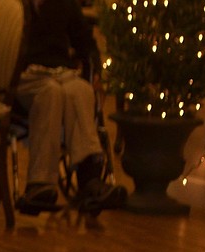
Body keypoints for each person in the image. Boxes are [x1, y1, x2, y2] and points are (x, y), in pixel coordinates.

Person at [15, 0, 126, 213]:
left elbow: (85, 42)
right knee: (51, 93)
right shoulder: (11, 5)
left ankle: (90, 179)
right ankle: (39, 183)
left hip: (58, 71)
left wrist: (94, 73)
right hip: (21, 76)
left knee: (81, 91)